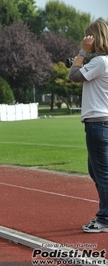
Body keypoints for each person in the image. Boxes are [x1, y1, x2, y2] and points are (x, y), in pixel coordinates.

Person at [68, 20, 108, 233]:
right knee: (98, 172)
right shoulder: (103, 61)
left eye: (88, 37)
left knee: (101, 174)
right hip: (104, 121)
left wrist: (82, 53)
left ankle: (105, 219)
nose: (86, 41)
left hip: (98, 123)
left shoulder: (100, 61)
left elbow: (74, 76)